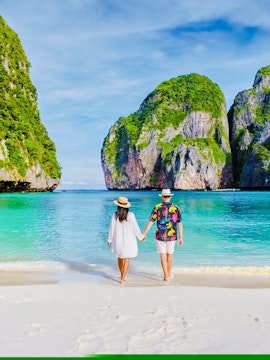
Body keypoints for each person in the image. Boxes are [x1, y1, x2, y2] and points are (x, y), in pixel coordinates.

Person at [143, 189, 183, 281]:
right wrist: (181, 237)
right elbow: (179, 223)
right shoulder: (176, 208)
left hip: (160, 235)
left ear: (162, 196)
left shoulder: (157, 207)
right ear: (170, 196)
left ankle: (166, 276)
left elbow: (151, 221)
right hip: (172, 236)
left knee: (163, 255)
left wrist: (144, 233)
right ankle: (168, 274)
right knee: (170, 254)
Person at [107, 196, 145, 284]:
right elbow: (136, 228)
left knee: (120, 258)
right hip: (129, 240)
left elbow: (111, 228)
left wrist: (109, 240)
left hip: (118, 241)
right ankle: (123, 278)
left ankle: (122, 276)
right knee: (127, 259)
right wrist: (141, 237)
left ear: (118, 206)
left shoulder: (115, 215)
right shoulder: (131, 215)